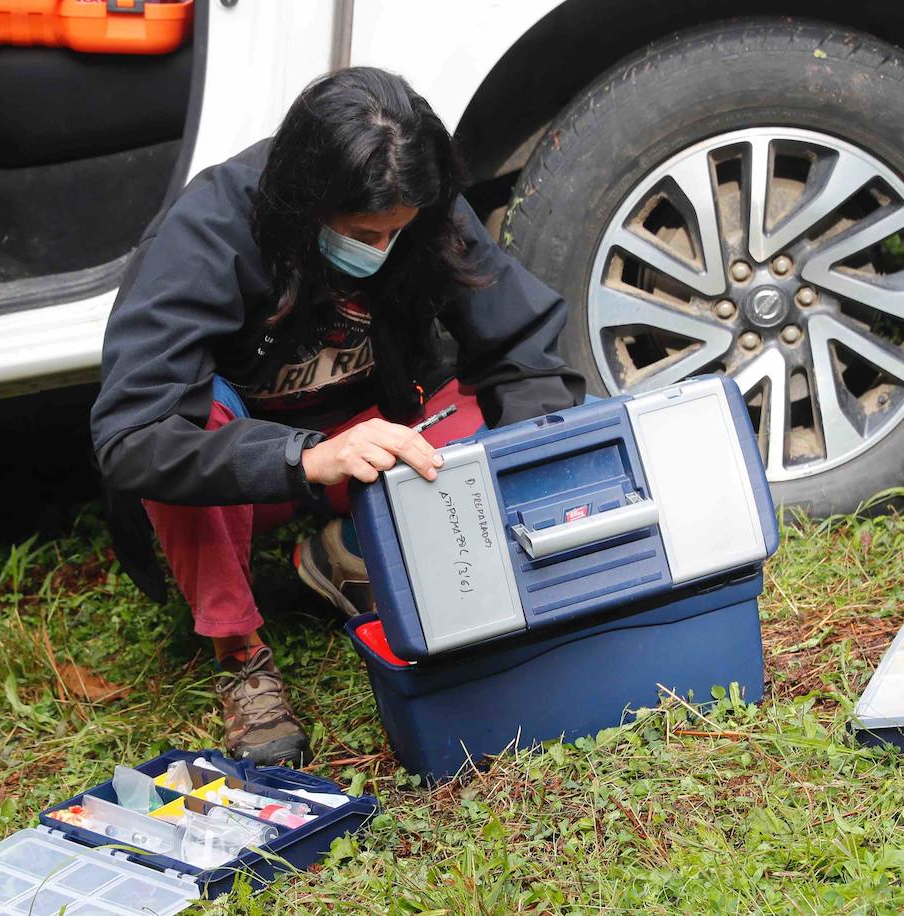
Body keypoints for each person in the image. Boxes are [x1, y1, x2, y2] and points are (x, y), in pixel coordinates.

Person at [89, 67, 585, 766]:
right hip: (259, 468)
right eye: (361, 232)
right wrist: (303, 458)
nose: (380, 249)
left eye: (397, 232)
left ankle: (349, 548)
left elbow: (523, 348)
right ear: (304, 200)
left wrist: (535, 487)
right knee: (187, 422)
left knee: (493, 415)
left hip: (377, 439)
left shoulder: (423, 205)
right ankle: (241, 656)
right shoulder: (208, 228)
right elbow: (133, 436)